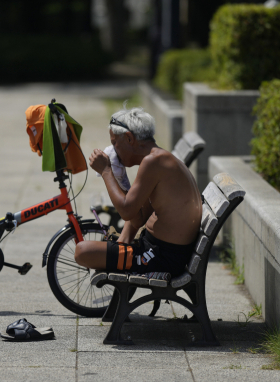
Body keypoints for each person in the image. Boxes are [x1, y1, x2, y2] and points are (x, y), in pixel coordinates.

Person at [74, 107, 202, 277]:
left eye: (114, 144)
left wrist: (106, 171)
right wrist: (123, 243)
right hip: (160, 251)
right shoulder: (158, 158)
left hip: (161, 258)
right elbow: (138, 216)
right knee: (92, 249)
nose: (113, 150)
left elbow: (126, 211)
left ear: (129, 138)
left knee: (82, 251)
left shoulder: (153, 162)